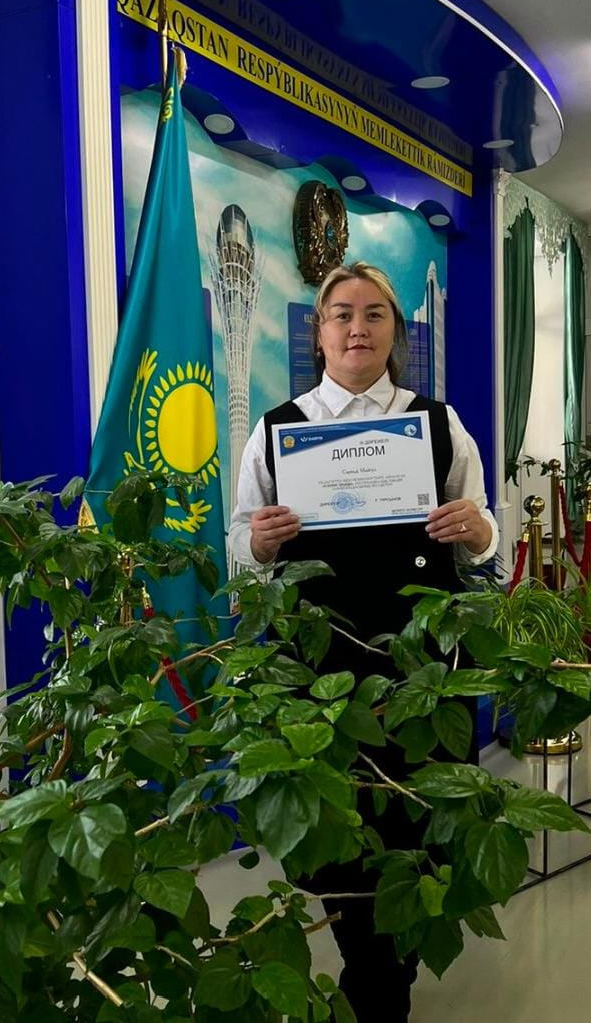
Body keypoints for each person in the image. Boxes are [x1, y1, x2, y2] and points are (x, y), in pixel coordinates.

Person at [228, 261, 498, 1023]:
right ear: (319, 333)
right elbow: (240, 554)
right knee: (341, 846)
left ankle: (380, 986)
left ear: (394, 333)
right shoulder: (277, 430)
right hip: (318, 682)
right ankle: (378, 986)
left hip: (420, 679)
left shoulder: (438, 424)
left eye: (374, 313)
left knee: (414, 838)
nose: (357, 327)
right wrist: (259, 541)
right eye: (341, 313)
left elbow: (489, 546)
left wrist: (476, 529)